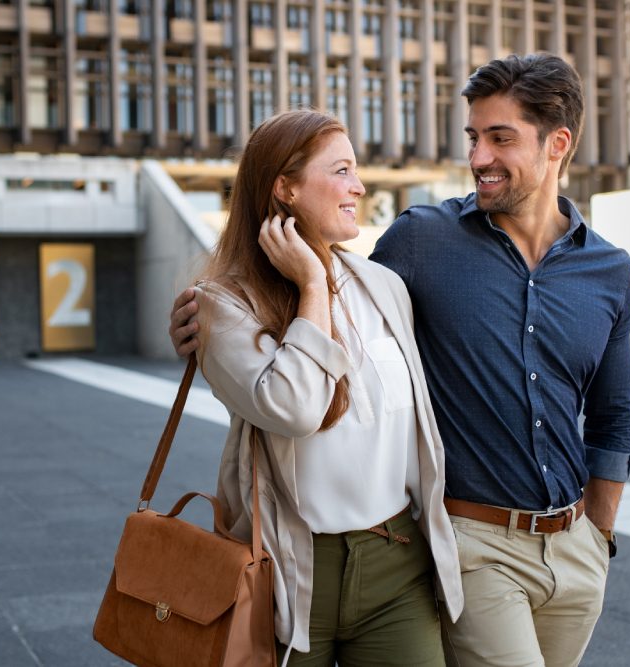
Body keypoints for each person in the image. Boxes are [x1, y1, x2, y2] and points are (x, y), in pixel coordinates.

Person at [171, 53, 630, 667]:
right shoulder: (420, 242)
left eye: (500, 139)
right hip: (464, 542)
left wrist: (598, 536)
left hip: (561, 547)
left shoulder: (609, 270)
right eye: (474, 138)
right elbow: (293, 345)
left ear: (558, 144)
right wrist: (206, 326)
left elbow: (613, 413)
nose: (478, 159)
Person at [184, 109, 463, 666]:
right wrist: (312, 282)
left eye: (356, 170)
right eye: (340, 170)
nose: (358, 186)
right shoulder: (222, 305)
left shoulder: (384, 286)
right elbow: (295, 409)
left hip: (397, 561)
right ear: (284, 188)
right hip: (289, 570)